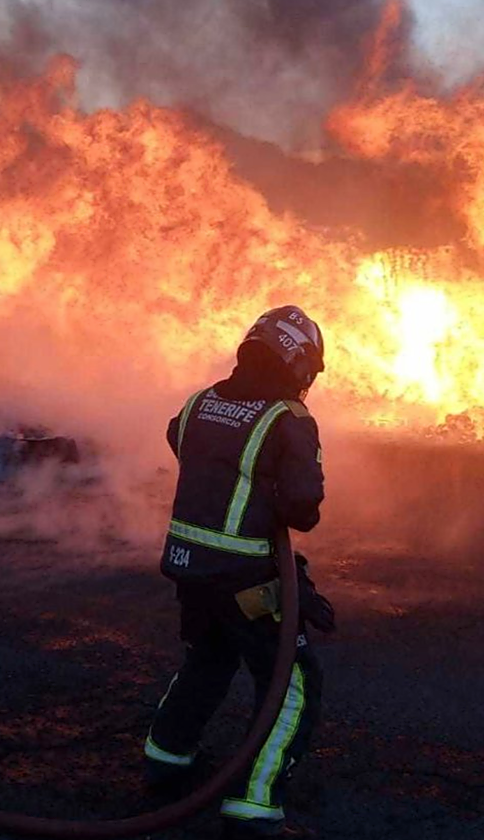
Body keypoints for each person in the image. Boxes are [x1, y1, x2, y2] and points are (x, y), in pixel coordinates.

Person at [144, 305, 335, 838]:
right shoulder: (288, 419)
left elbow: (175, 437)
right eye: (310, 369)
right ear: (296, 359)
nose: (309, 381)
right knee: (292, 682)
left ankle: (166, 760)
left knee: (210, 657)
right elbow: (303, 510)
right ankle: (254, 806)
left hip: (189, 566)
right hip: (246, 574)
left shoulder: (200, 402)